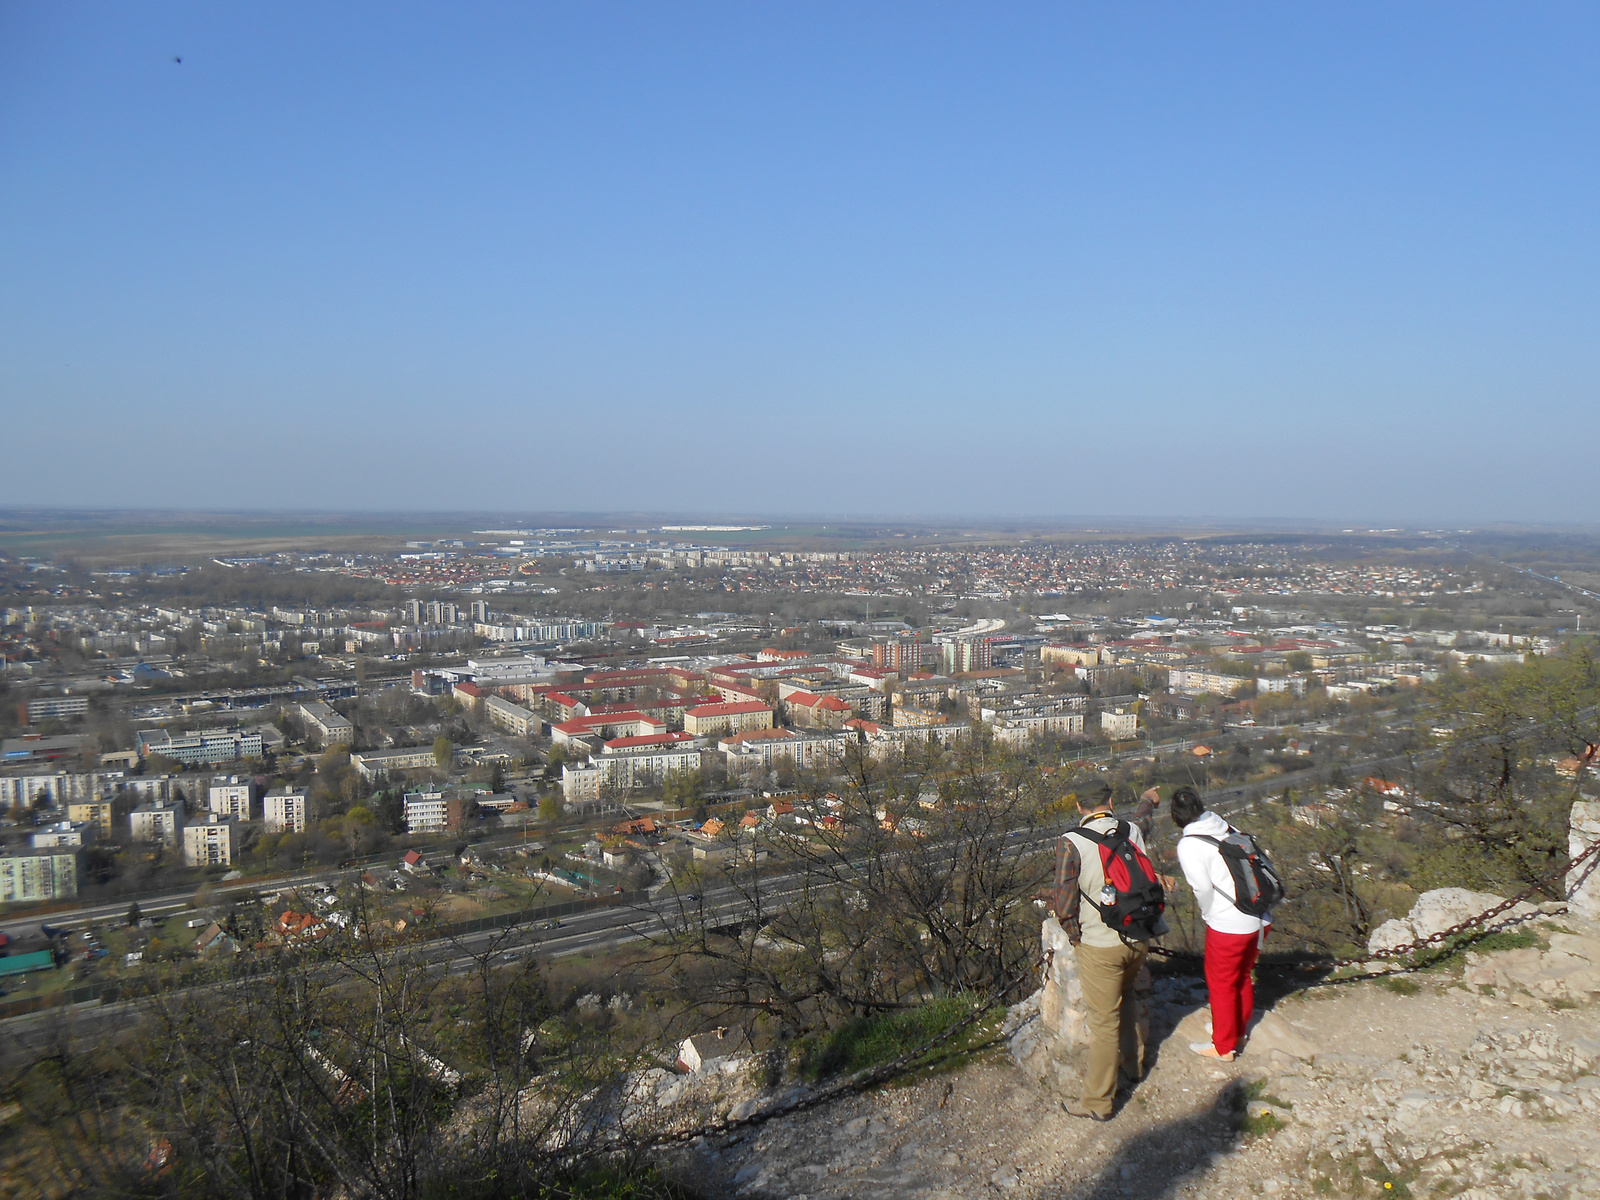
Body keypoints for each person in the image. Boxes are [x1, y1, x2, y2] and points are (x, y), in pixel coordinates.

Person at [1049, 783, 1163, 1120]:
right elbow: (1143, 821)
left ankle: (1098, 1102)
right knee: (1126, 996)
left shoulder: (1072, 843)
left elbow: (1065, 901)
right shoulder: (1130, 832)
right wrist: (1146, 800)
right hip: (1137, 937)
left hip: (1100, 945)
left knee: (1103, 1024)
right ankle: (1133, 1065)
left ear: (1077, 805)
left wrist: (1075, 937)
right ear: (1110, 803)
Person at [1171, 786, 1267, 1061]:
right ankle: (1237, 1030)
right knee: (1242, 977)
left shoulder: (1189, 845)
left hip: (1230, 925)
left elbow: (1202, 889)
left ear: (1175, 817)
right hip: (1259, 917)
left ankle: (1223, 1047)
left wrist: (1207, 914)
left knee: (1221, 985)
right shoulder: (1226, 826)